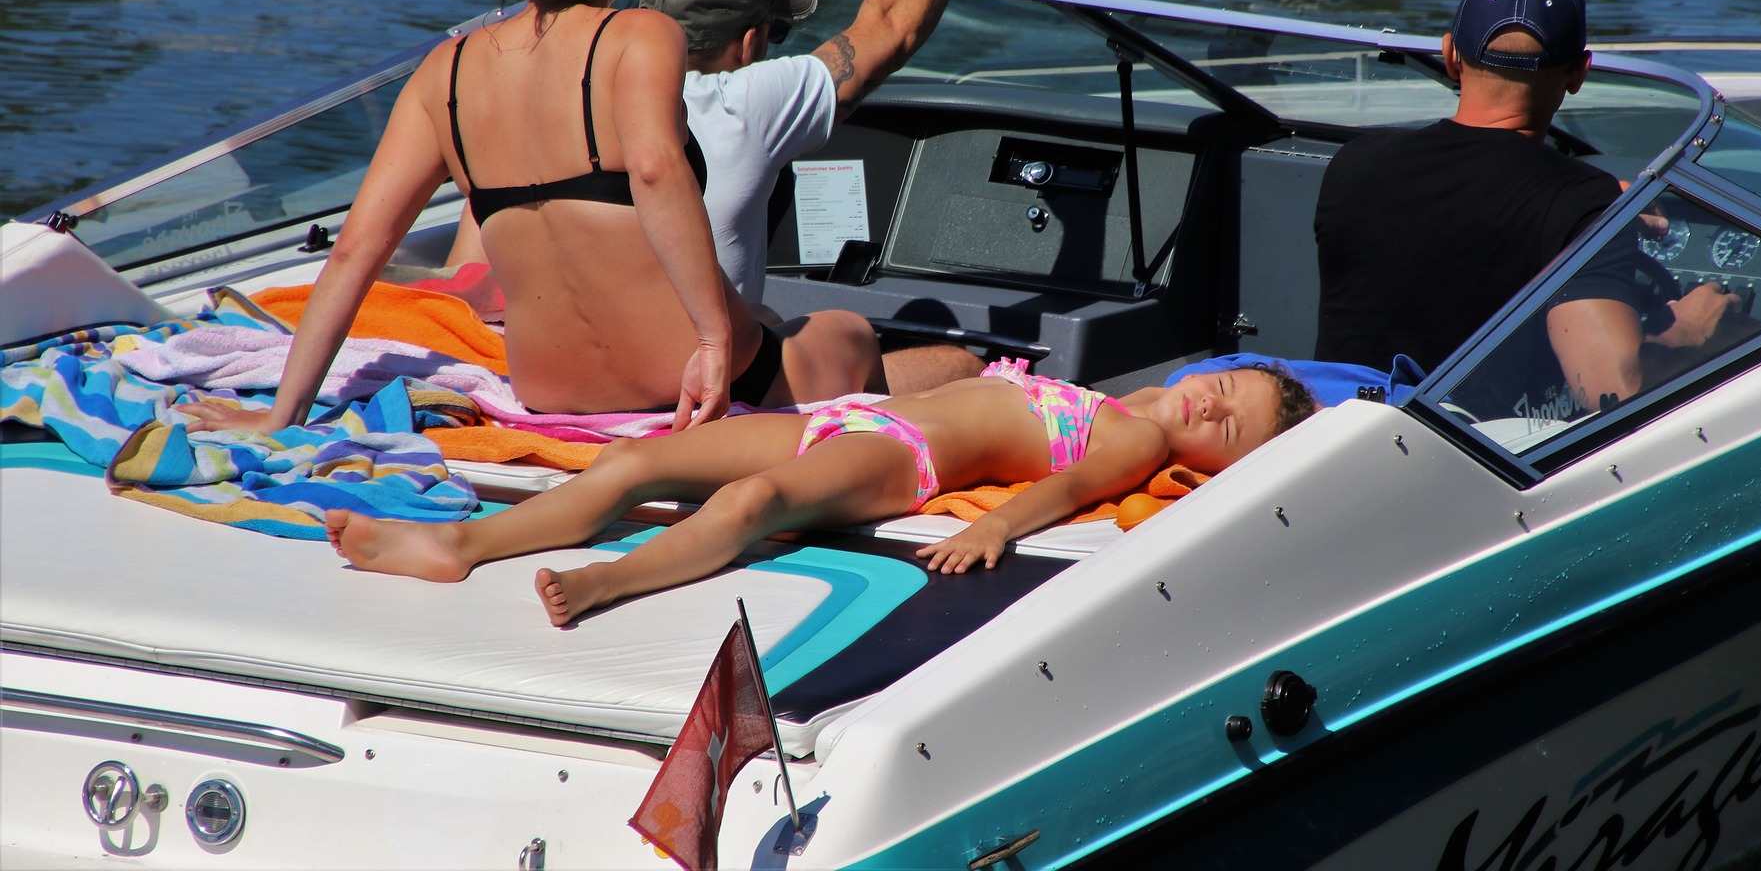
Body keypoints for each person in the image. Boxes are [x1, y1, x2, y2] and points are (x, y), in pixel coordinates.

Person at [183, 0, 880, 438]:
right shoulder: (643, 35)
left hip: (552, 389)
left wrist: (283, 413)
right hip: (680, 378)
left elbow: (354, 254)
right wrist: (712, 338)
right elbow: (655, 169)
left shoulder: (445, 74)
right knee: (848, 333)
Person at [446, 0, 1008, 391]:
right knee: (964, 371)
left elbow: (464, 274)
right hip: (699, 380)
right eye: (774, 33)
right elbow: (889, 27)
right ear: (749, 43)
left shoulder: (553, 100)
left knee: (768, 324)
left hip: (556, 377)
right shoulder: (745, 102)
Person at [325, 359, 1317, 624]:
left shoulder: (1137, 436)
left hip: (900, 459)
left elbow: (1068, 486)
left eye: (1230, 428)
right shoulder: (1138, 398)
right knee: (633, 462)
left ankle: (605, 582)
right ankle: (458, 546)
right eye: (1227, 387)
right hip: (856, 415)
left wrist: (997, 529)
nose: (1212, 407)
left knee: (755, 499)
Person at [1313, 0, 1742, 397]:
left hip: (1335, 439)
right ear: (1579, 73)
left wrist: (1590, 208)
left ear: (1450, 55)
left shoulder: (1356, 165)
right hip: (1466, 461)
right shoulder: (1578, 206)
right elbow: (1613, 388)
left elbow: (1466, 212)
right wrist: (1692, 332)